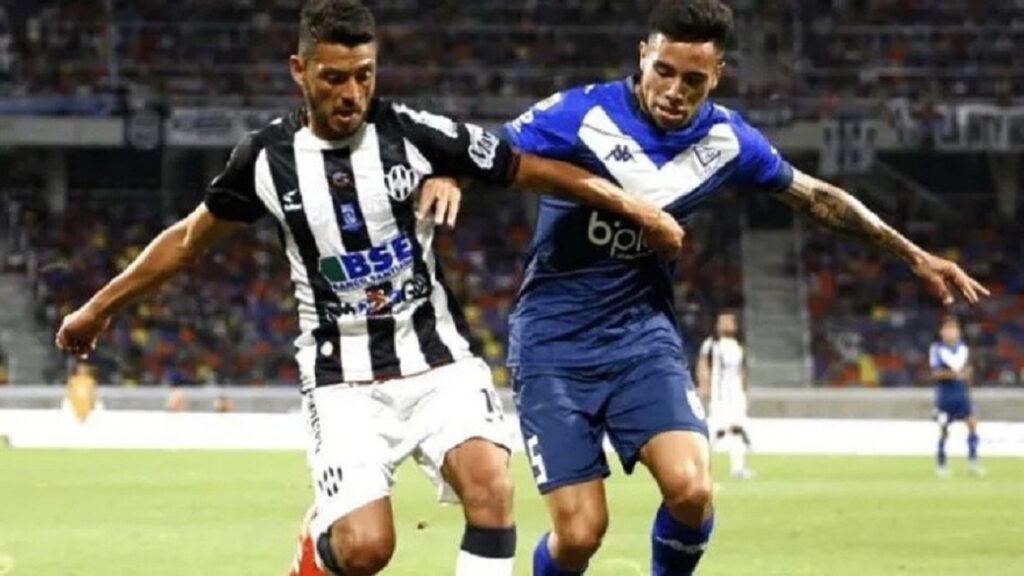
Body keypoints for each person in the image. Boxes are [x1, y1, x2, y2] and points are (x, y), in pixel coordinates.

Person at [54, 2, 684, 575]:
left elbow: (529, 168)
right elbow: (189, 240)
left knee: (492, 487)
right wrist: (97, 309)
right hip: (342, 379)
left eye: (364, 75)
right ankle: (316, 543)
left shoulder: (414, 134)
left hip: (436, 361)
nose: (352, 93)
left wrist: (637, 210)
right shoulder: (265, 159)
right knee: (366, 549)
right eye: (334, 78)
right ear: (299, 71)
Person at [499, 1, 989, 574]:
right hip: (552, 345)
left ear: (717, 75)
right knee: (580, 535)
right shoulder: (579, 113)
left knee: (692, 490)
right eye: (664, 71)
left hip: (640, 339)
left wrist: (911, 253)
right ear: (643, 55)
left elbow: (818, 198)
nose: (675, 91)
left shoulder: (728, 140)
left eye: (693, 80)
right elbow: (491, 156)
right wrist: (450, 181)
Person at [696, 311, 753, 480]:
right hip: (719, 396)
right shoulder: (711, 344)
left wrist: (744, 391)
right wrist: (704, 387)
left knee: (737, 429)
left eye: (730, 321)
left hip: (736, 396)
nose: (728, 324)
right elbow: (703, 366)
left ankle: (738, 468)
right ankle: (700, 470)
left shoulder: (738, 346)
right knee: (715, 432)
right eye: (724, 321)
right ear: (718, 325)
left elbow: (742, 371)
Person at [930, 316, 982, 478]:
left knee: (972, 424)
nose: (951, 332)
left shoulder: (963, 349)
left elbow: (968, 373)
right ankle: (941, 464)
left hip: (961, 394)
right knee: (944, 430)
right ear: (942, 332)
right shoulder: (937, 349)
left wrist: (969, 390)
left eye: (953, 329)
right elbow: (936, 373)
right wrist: (955, 374)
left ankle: (973, 463)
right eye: (947, 329)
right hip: (945, 396)